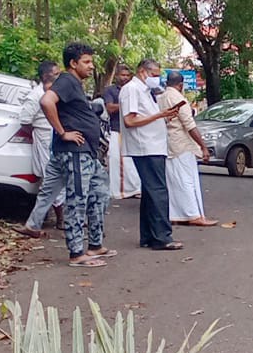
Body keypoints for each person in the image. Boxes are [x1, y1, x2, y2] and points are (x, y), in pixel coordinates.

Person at [27, 43, 115, 267]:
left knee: (99, 192)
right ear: (73, 63)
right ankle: (76, 253)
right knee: (77, 200)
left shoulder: (74, 84)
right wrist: (62, 132)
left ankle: (95, 244)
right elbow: (46, 101)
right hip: (74, 152)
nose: (91, 66)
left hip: (83, 153)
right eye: (86, 62)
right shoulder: (66, 80)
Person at [120, 58, 183, 251]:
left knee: (150, 192)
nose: (157, 79)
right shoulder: (132, 89)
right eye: (154, 75)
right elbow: (130, 121)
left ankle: (148, 235)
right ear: (142, 72)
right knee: (158, 191)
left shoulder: (146, 91)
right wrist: (160, 115)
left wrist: (163, 117)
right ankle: (162, 236)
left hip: (153, 145)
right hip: (145, 147)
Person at [157, 71, 218, 227]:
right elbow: (189, 125)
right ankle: (194, 215)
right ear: (181, 85)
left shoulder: (161, 98)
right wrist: (203, 147)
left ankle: (177, 215)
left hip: (168, 144)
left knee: (173, 181)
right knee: (188, 181)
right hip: (182, 145)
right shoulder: (179, 99)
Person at [13, 60, 64, 238]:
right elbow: (25, 120)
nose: (59, 76)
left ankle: (40, 222)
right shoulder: (36, 96)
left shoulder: (55, 92)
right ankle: (60, 218)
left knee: (55, 180)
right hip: (45, 140)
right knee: (51, 178)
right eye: (55, 73)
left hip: (57, 138)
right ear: (45, 76)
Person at [102, 66, 141, 199]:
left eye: (127, 75)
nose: (124, 77)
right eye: (122, 75)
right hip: (117, 129)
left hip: (133, 130)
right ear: (117, 76)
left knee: (132, 161)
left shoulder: (134, 89)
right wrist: (127, 104)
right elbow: (110, 108)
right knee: (116, 160)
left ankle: (135, 189)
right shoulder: (110, 90)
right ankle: (118, 191)